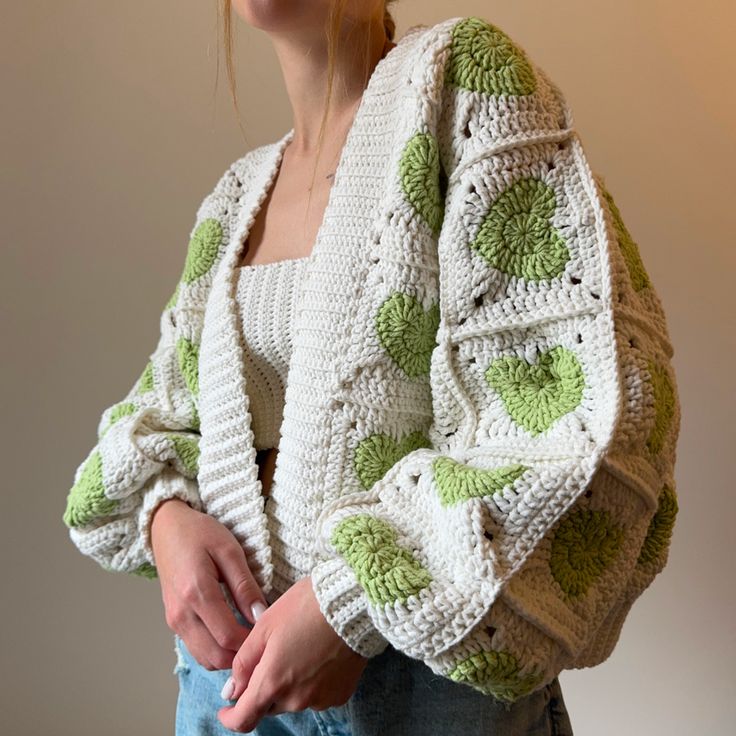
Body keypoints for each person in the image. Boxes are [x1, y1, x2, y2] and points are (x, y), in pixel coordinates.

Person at [62, 2, 681, 734]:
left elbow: (588, 417)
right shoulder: (235, 197)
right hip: (225, 687)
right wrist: (165, 517)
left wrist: (351, 603)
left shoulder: (462, 85)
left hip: (421, 687)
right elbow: (154, 416)